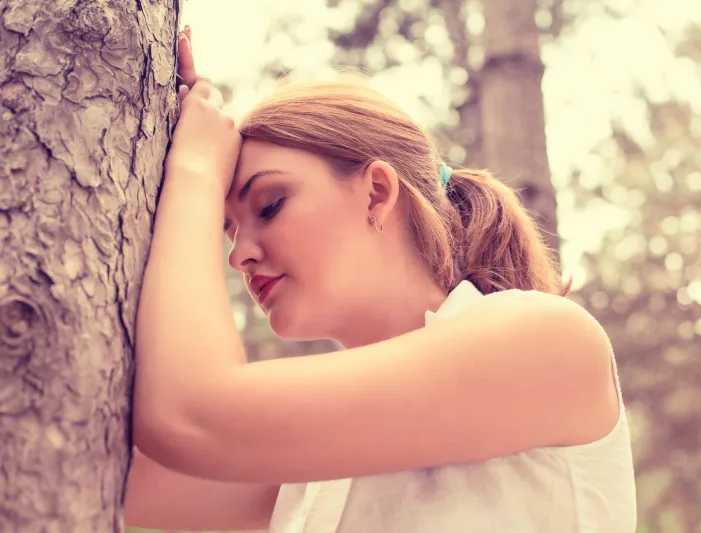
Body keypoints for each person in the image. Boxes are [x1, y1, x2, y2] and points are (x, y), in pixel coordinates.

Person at [123, 26, 637, 533]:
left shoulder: (549, 341)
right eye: (227, 229)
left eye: (270, 204)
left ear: (375, 193)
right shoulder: (308, 464)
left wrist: (195, 167)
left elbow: (190, 414)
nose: (239, 256)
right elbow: (103, 466)